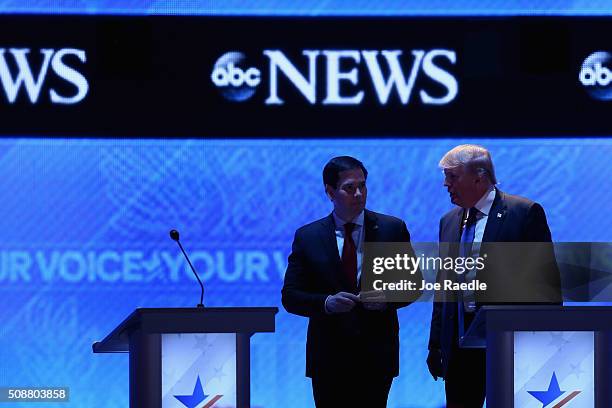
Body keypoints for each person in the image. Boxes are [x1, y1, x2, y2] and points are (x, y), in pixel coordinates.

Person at [426, 144, 561, 407]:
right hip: (460, 346)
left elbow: (547, 285)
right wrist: (435, 345)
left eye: (452, 176)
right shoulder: (448, 221)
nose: (446, 184)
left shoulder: (523, 213)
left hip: (509, 343)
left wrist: (546, 344)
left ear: (480, 176)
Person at [282, 155, 421, 408]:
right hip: (328, 356)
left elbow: (412, 285)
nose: (358, 194)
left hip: (376, 354)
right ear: (330, 191)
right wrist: (326, 303)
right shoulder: (309, 236)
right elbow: (291, 296)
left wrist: (387, 299)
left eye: (363, 186)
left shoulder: (391, 229)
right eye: (349, 187)